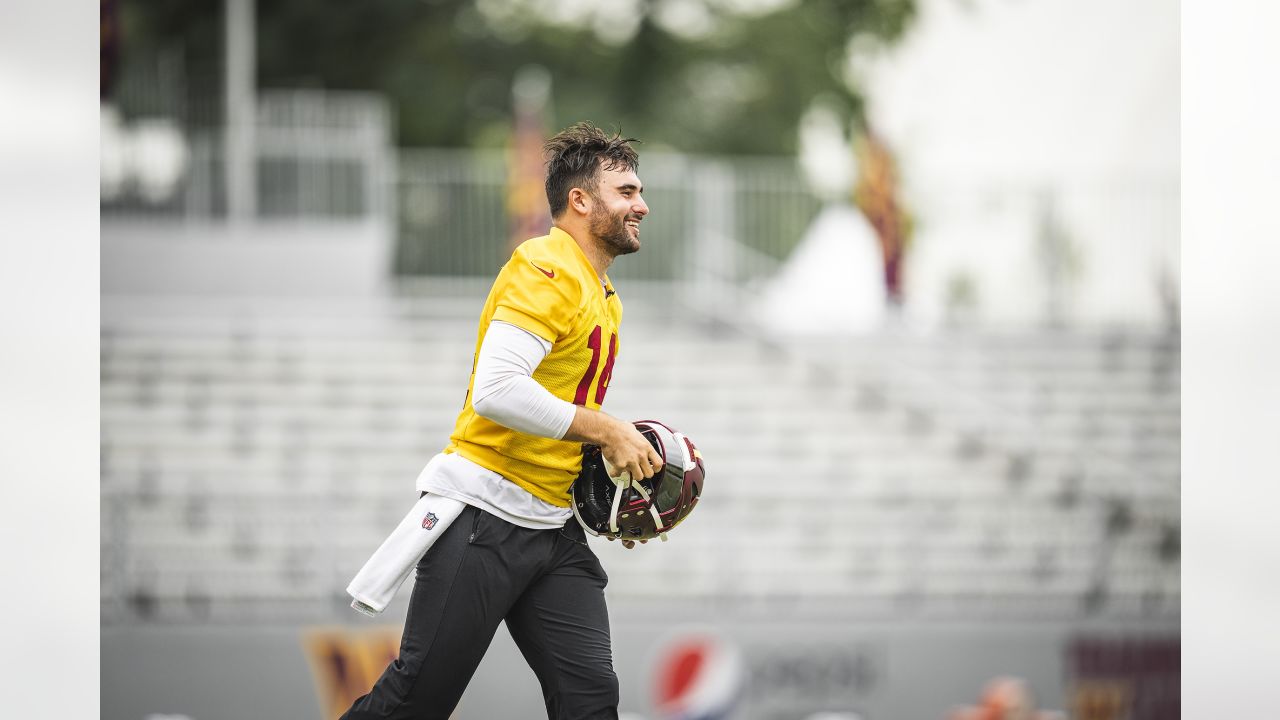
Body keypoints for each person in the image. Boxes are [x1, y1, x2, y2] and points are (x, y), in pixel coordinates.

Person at [341, 122, 664, 720]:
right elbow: (497, 391)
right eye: (626, 191)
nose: (641, 204)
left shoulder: (603, 292)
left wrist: (606, 482)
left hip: (553, 526)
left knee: (591, 698)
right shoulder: (547, 263)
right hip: (487, 519)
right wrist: (609, 430)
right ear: (580, 200)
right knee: (416, 702)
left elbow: (554, 409)